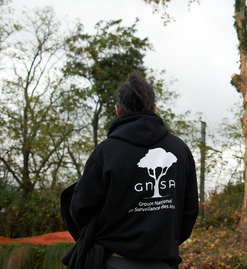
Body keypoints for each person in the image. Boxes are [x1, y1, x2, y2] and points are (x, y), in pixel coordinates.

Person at [66, 72, 199, 269]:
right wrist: (163, 243)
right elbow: (189, 212)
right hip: (164, 263)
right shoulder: (180, 150)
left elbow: (79, 210)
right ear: (154, 108)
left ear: (118, 111)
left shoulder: (105, 152)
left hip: (113, 262)